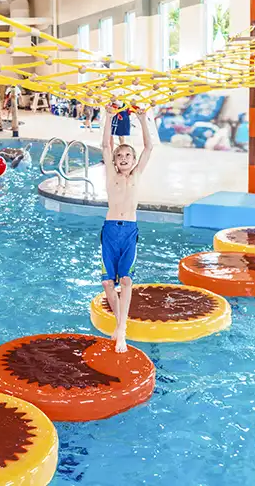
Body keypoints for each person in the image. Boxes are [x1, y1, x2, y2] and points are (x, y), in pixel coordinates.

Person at [101, 104, 154, 353]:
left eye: (128, 157)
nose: (123, 159)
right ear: (114, 161)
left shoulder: (136, 175)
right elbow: (105, 146)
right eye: (120, 157)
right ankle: (120, 324)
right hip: (110, 229)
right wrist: (109, 117)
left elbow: (149, 148)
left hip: (129, 230)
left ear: (133, 161)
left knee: (127, 280)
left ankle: (121, 330)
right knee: (108, 285)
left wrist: (143, 119)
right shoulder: (111, 175)